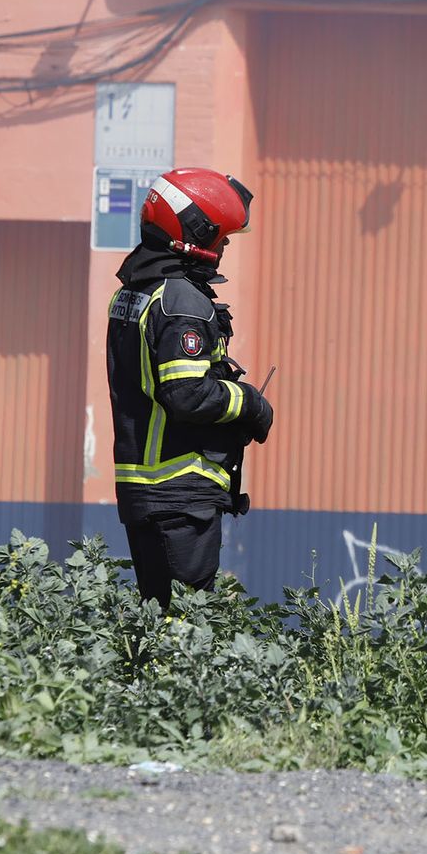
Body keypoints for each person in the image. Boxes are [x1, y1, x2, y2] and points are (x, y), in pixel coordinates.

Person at [105, 167, 274, 611]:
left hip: (144, 488)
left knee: (156, 620)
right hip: (180, 491)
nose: (225, 245)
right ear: (196, 232)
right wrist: (250, 402)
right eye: (220, 236)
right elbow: (187, 394)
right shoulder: (181, 300)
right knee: (186, 631)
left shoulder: (135, 292)